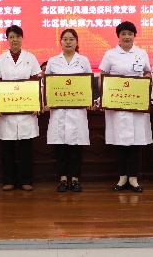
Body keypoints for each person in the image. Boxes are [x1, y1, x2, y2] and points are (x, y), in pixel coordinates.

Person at [99, 21, 152, 193]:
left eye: (130, 34)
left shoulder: (141, 53)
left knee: (136, 142)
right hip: (117, 105)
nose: (127, 37)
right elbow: (103, 76)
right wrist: (105, 97)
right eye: (123, 34)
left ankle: (134, 179)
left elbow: (147, 72)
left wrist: (145, 79)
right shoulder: (110, 54)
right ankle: (122, 177)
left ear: (134, 36)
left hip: (136, 104)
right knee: (119, 142)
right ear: (118, 36)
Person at [0, 25, 41, 191]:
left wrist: (36, 104)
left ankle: (26, 180)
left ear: (22, 39)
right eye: (11, 37)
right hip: (6, 111)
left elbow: (36, 82)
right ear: (7, 39)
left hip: (26, 110)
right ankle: (9, 180)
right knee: (7, 147)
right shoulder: (1, 59)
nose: (15, 40)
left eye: (18, 37)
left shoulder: (30, 58)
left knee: (26, 147)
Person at [44, 29, 92, 193]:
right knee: (61, 147)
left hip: (77, 111)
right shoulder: (53, 61)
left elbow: (89, 85)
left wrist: (89, 101)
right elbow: (46, 85)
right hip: (58, 111)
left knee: (76, 148)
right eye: (65, 39)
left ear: (77, 42)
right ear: (60, 42)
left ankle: (76, 179)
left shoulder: (83, 61)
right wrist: (46, 102)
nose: (68, 42)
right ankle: (63, 179)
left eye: (71, 39)